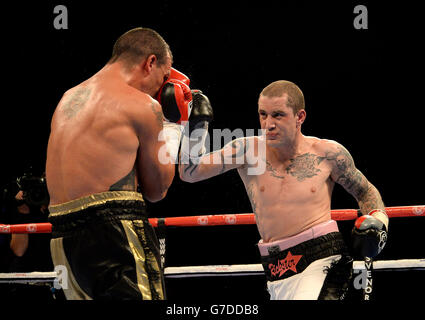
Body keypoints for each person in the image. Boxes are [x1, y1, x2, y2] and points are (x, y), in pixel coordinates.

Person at [179, 80, 389, 300]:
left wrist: (379, 221)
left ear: (300, 117)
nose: (268, 124)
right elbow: (190, 172)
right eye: (263, 114)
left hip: (322, 260)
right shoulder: (246, 150)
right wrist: (195, 127)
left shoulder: (327, 153)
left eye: (278, 115)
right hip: (275, 269)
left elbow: (365, 191)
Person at [45, 27, 193, 300]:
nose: (161, 89)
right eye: (162, 78)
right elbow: (158, 189)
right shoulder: (143, 106)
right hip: (114, 232)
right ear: (150, 62)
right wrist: (174, 126)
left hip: (62, 239)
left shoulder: (68, 98)